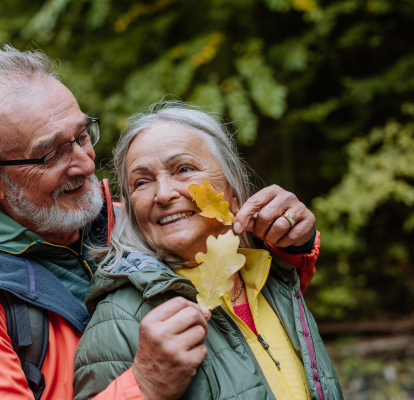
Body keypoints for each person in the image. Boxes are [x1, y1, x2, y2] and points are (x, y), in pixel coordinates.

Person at [0, 45, 322, 399]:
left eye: (82, 135)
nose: (85, 163)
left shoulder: (129, 219)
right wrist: (143, 384)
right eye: (51, 154)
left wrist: (289, 242)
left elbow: (256, 304)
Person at [73, 101, 343, 400]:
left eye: (184, 169)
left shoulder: (272, 274)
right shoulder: (119, 321)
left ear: (232, 184)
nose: (163, 194)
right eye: (142, 182)